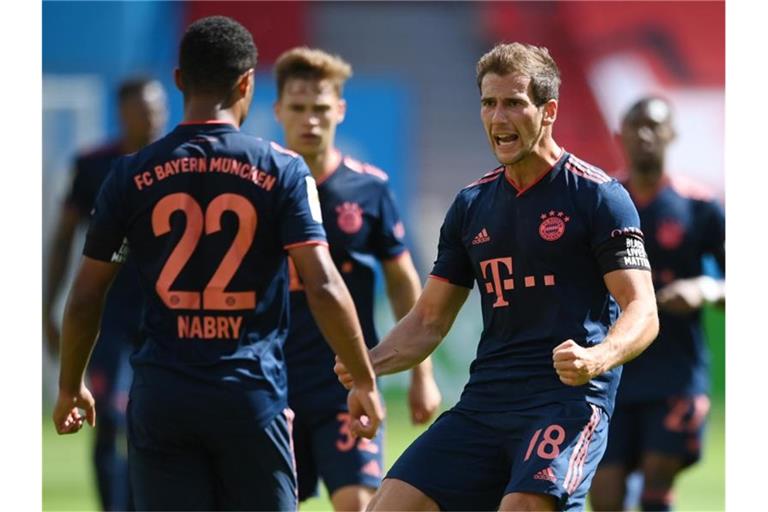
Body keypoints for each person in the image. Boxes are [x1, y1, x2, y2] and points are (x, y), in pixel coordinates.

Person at [51, 16, 384, 511]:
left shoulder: (128, 175)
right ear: (248, 82)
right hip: (248, 396)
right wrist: (363, 380)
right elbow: (324, 286)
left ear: (180, 80)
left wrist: (70, 385)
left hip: (162, 396)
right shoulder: (283, 170)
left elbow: (85, 295)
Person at [335, 42, 659, 511]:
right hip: (485, 403)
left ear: (548, 112)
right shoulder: (471, 205)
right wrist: (368, 365)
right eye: (489, 103)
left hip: (564, 403)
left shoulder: (599, 197)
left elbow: (643, 308)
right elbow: (428, 320)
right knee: (389, 505)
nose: (497, 117)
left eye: (513, 103)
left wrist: (598, 356)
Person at [273, 47, 442, 510]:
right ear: (278, 110)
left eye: (321, 108)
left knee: (359, 503)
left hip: (346, 378)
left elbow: (402, 280)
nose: (310, 120)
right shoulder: (259, 185)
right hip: (271, 382)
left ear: (340, 110)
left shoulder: (368, 188)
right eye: (299, 108)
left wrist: (420, 374)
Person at [589, 97, 725, 512]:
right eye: (636, 126)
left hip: (675, 372)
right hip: (613, 368)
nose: (645, 135)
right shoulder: (601, 202)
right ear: (620, 135)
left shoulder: (699, 205)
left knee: (656, 483)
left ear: (671, 136)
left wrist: (706, 289)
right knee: (606, 494)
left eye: (655, 126)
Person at [43, 76, 167, 511]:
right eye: (141, 110)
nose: (150, 118)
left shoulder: (180, 165)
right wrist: (47, 309)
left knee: (148, 423)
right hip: (108, 319)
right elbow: (63, 239)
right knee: (108, 416)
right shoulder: (94, 166)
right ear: (122, 114)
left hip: (164, 318)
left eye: (156, 109)